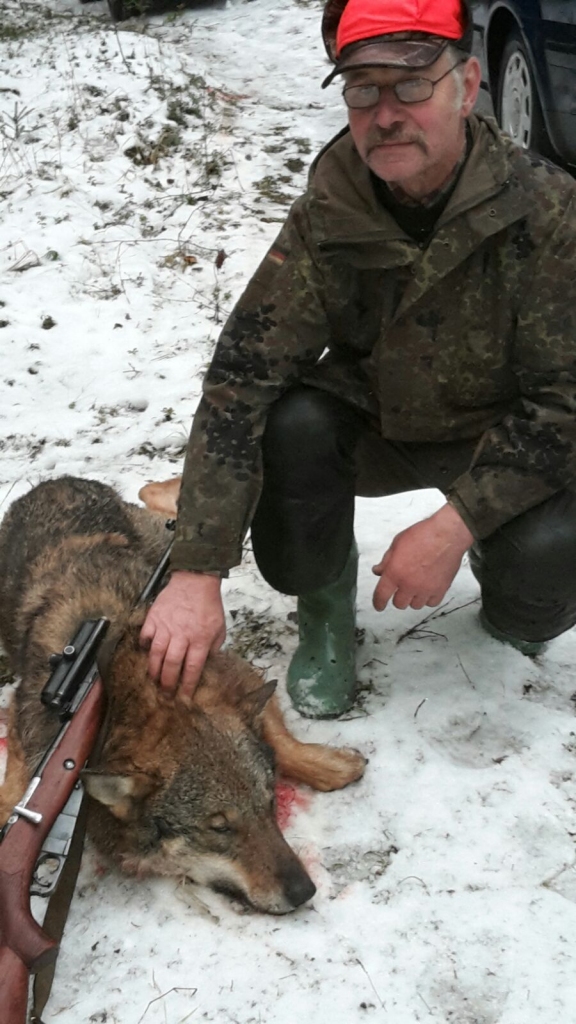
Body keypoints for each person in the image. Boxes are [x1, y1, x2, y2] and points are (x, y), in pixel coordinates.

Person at [141, 0, 576, 718]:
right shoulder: (330, 210)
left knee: (552, 552)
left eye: (410, 84)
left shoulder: (548, 208)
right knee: (293, 424)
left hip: (496, 436)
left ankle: (508, 600)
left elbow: (566, 401)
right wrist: (195, 569)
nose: (384, 112)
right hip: (378, 421)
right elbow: (240, 381)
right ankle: (326, 609)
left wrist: (456, 523)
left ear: (467, 87)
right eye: (361, 88)